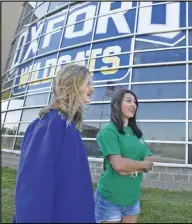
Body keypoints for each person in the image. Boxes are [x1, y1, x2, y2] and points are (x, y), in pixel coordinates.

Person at [12, 64, 96, 223]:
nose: (92, 89)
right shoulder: (51, 125)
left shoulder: (67, 125)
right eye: (88, 84)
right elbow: (33, 189)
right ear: (72, 84)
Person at [94, 88, 154, 223]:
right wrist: (141, 167)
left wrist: (130, 169)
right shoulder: (109, 130)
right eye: (129, 101)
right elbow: (119, 165)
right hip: (110, 198)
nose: (134, 105)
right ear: (117, 104)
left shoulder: (137, 133)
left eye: (135, 102)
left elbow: (148, 160)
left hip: (132, 198)